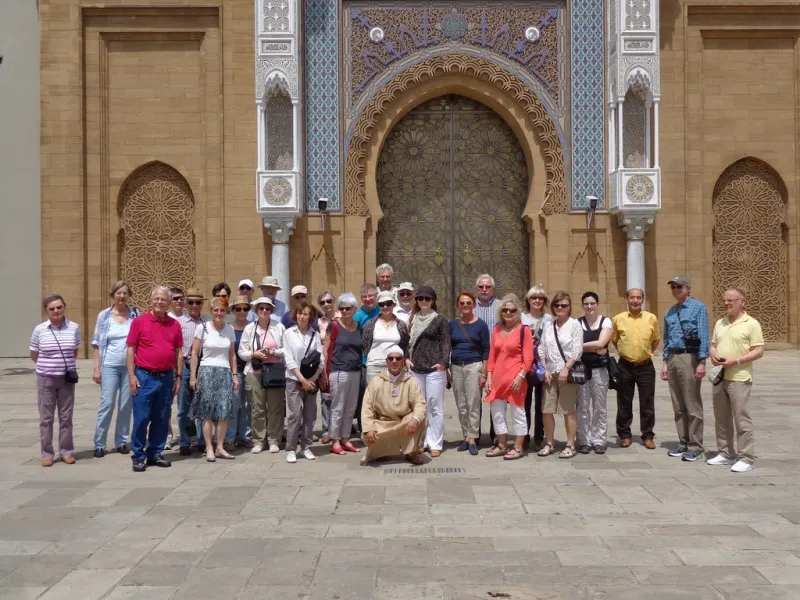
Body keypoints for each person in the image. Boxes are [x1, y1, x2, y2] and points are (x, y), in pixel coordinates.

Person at [126, 285, 183, 472]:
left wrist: (178, 377)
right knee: (142, 417)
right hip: (144, 376)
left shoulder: (174, 324)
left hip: (166, 377)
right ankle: (138, 455)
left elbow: (178, 352)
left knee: (162, 417)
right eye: (156, 298)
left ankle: (155, 453)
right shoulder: (139, 322)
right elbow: (131, 350)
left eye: (163, 299)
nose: (159, 302)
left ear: (169, 302)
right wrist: (131, 376)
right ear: (150, 301)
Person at [707, 288, 764, 473]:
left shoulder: (751, 324)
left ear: (742, 302)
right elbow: (713, 345)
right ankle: (726, 453)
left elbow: (758, 350)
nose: (727, 304)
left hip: (739, 377)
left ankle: (746, 458)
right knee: (721, 418)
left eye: (731, 300)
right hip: (720, 376)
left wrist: (737, 361)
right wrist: (713, 354)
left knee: (741, 418)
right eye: (725, 300)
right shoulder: (720, 323)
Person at [662, 275, 710, 462]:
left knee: (692, 403)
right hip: (673, 358)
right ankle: (683, 441)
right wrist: (665, 362)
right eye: (673, 287)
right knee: (678, 404)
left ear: (688, 288)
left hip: (689, 357)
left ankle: (695, 445)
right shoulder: (670, 311)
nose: (675, 290)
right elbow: (666, 339)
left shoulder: (698, 307)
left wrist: (702, 362)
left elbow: (703, 335)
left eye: (679, 287)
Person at [30, 294, 81, 467]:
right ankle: (47, 454)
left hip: (66, 379)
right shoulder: (39, 330)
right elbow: (34, 354)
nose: (56, 311)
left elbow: (74, 351)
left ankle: (66, 451)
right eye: (52, 308)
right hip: (46, 379)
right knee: (46, 418)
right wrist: (49, 366)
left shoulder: (74, 327)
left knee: (66, 417)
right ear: (47, 311)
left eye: (59, 307)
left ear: (64, 307)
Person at [91, 281, 140, 458]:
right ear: (113, 295)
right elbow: (97, 344)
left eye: (125, 293)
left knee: (126, 405)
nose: (121, 296)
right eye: (118, 293)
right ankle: (100, 443)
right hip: (109, 365)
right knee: (107, 404)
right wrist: (97, 368)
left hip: (129, 367)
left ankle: (121, 441)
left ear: (129, 295)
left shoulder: (135, 314)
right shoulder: (104, 316)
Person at [484, 294, 534, 460]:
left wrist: (520, 377)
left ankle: (518, 447)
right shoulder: (497, 329)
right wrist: (489, 377)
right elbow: (492, 356)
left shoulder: (524, 330)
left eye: (512, 310)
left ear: (517, 312)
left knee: (518, 413)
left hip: (515, 379)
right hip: (498, 378)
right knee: (497, 413)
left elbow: (528, 359)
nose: (508, 313)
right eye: (505, 310)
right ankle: (502, 444)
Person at [189, 297, 238, 462]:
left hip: (224, 372)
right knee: (207, 413)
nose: (219, 313)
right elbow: (194, 353)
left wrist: (235, 375)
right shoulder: (202, 328)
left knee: (224, 412)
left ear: (226, 312)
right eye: (216, 310)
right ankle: (209, 447)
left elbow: (232, 354)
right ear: (211, 312)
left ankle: (220, 447)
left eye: (222, 310)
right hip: (207, 371)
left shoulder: (230, 329)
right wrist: (193, 376)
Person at [611, 288, 661, 449]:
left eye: (638, 298)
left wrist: (645, 353)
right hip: (625, 365)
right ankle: (625, 435)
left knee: (647, 402)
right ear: (627, 299)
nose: (635, 301)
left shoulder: (651, 318)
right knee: (624, 401)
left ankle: (648, 435)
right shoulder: (618, 319)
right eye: (632, 297)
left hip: (645, 366)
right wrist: (626, 352)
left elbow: (656, 340)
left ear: (642, 299)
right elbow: (614, 340)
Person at [361, 345, 427, 466]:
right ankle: (382, 451)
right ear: (386, 361)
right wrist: (369, 428)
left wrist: (415, 419)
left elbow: (420, 403)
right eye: (391, 358)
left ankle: (411, 452)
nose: (394, 361)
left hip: (404, 423)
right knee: (368, 433)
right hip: (383, 424)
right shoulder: (376, 381)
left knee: (421, 418)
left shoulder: (411, 381)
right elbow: (367, 407)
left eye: (398, 358)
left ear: (403, 361)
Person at [406, 285, 450, 457]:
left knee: (435, 406)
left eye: (427, 298)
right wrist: (406, 358)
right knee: (419, 407)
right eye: (421, 298)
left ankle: (435, 443)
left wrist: (443, 363)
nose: (424, 301)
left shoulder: (440, 320)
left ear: (433, 301)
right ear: (417, 300)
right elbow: (406, 341)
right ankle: (421, 441)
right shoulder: (412, 319)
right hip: (416, 368)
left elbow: (446, 342)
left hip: (434, 369)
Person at [538, 291, 583, 459]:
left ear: (569, 307)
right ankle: (549, 442)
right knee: (547, 410)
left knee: (567, 410)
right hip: (550, 373)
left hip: (567, 373)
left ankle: (570, 444)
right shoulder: (549, 325)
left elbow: (577, 350)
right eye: (557, 305)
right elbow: (542, 347)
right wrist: (545, 369)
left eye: (564, 305)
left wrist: (566, 368)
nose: (560, 308)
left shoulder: (574, 325)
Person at [239, 297, 287, 454]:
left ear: (271, 310)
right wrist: (254, 354)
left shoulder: (279, 327)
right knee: (257, 408)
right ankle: (258, 440)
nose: (264, 311)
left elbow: (287, 349)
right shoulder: (249, 328)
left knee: (275, 408)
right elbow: (241, 352)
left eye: (267, 308)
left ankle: (274, 439)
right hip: (254, 372)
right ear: (257, 310)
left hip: (274, 371)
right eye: (261, 308)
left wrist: (274, 352)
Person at [282, 301, 324, 463]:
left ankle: (306, 447)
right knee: (294, 415)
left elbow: (320, 359)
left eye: (305, 314)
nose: (302, 316)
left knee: (309, 415)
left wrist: (312, 379)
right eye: (300, 313)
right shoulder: (289, 333)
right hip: (294, 379)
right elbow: (288, 358)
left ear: (310, 317)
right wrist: (302, 379)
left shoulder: (314, 334)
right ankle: (291, 449)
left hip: (311, 380)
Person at [449, 291, 490, 455]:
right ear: (457, 305)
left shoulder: (481, 325)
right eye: (462, 303)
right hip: (456, 366)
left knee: (473, 403)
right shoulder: (452, 324)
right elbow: (448, 346)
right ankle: (465, 435)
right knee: (461, 404)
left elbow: (486, 349)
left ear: (473, 305)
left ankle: (473, 437)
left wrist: (484, 373)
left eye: (468, 303)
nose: (465, 305)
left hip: (474, 366)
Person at [325, 292, 363, 455]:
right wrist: (324, 373)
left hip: (355, 371)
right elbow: (325, 350)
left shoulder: (358, 326)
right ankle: (335, 440)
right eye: (342, 308)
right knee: (338, 407)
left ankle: (345, 438)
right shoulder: (334, 325)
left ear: (354, 309)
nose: (345, 311)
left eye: (348, 308)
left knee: (350, 407)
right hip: (339, 371)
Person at [575, 292, 612, 454]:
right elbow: (573, 345)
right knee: (582, 406)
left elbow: (602, 342)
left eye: (592, 303)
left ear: (597, 304)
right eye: (586, 303)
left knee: (599, 406)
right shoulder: (577, 323)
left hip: (600, 370)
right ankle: (584, 440)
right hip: (581, 370)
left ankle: (599, 440)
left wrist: (580, 346)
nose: (589, 306)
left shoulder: (605, 321)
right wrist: (595, 347)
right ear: (582, 305)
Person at [521, 285, 552, 451]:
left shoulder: (548, 319)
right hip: (525, 364)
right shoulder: (521, 318)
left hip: (542, 364)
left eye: (540, 298)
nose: (537, 300)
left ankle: (539, 437)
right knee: (524, 402)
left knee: (541, 403)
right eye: (534, 297)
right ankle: (524, 436)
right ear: (528, 300)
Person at [176, 288, 206, 455]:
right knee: (183, 408)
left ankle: (202, 440)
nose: (194, 305)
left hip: (203, 367)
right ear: (185, 304)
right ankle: (185, 442)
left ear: (202, 304)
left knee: (201, 406)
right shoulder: (178, 323)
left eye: (198, 302)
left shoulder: (206, 322)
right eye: (191, 302)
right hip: (185, 367)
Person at [224, 295, 253, 451]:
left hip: (250, 370)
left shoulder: (253, 327)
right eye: (238, 309)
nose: (242, 312)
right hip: (234, 371)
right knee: (234, 405)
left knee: (247, 405)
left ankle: (245, 435)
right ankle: (230, 438)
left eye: (245, 309)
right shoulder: (228, 328)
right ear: (233, 310)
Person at [363, 290, 409, 383]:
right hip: (374, 365)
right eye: (381, 304)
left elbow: (405, 345)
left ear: (393, 304)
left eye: (388, 303)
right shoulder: (370, 324)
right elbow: (366, 345)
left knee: (393, 392)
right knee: (374, 392)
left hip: (394, 365)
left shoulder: (401, 325)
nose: (385, 307)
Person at [353, 283, 380, 432]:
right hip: (365, 361)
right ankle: (365, 427)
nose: (368, 299)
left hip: (381, 359)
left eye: (371, 296)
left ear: (376, 296)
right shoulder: (358, 316)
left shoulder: (381, 310)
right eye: (365, 296)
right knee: (365, 396)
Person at [317, 290, 340, 444]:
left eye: (329, 301)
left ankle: (338, 429)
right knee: (326, 397)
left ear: (334, 301)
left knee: (339, 397)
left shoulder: (342, 317)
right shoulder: (320, 322)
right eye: (323, 302)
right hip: (325, 361)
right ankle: (326, 430)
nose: (326, 304)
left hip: (340, 360)